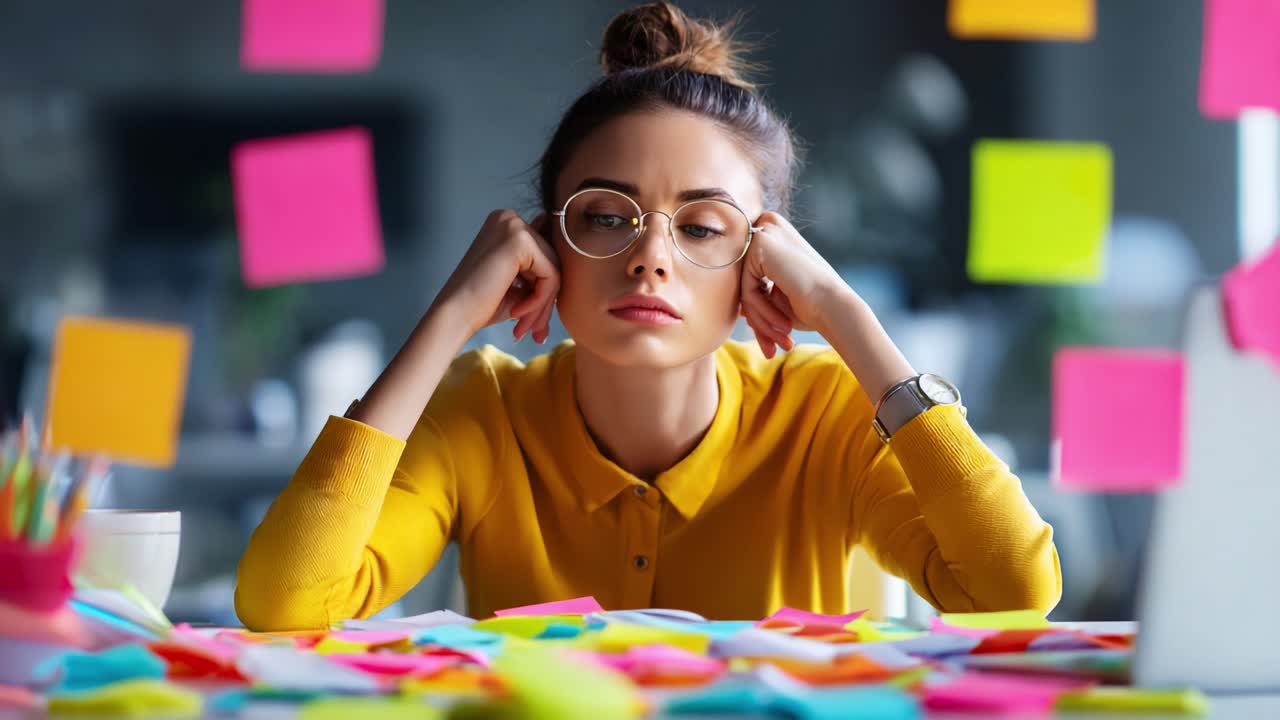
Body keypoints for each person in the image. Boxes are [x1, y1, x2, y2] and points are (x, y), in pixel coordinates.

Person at [236, 2, 1061, 631]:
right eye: (605, 216)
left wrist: (846, 317)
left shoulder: (823, 412)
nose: (650, 257)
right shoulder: (485, 412)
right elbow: (286, 602)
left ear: (763, 265)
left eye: (703, 228)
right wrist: (452, 314)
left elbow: (1014, 592)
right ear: (545, 248)